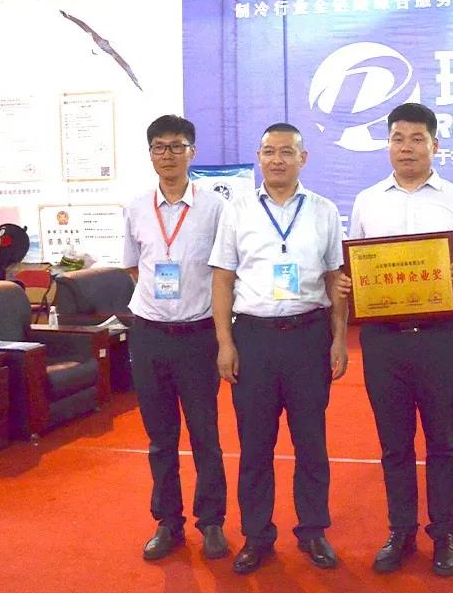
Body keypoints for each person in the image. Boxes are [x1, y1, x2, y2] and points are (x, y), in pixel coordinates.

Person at [342, 102, 453, 577]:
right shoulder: (367, 201)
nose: (406, 148)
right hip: (383, 340)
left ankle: (444, 532)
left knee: (443, 439)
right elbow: (355, 264)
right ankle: (400, 530)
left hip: (439, 338)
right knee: (394, 442)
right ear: (387, 144)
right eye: (398, 139)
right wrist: (349, 281)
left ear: (434, 145)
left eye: (417, 139)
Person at [209, 123, 348, 575]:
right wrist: (225, 343)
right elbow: (222, 279)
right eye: (269, 151)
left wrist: (339, 338)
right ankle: (256, 535)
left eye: (287, 152)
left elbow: (335, 279)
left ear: (303, 159)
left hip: (309, 336)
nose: (277, 160)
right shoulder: (238, 210)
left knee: (311, 441)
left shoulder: (324, 210)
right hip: (254, 339)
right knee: (254, 445)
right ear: (259, 157)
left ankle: (313, 530)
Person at [123, 114, 228, 561]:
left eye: (177, 146)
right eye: (160, 147)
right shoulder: (135, 207)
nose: (168, 154)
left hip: (199, 336)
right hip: (149, 335)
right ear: (150, 154)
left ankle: (212, 522)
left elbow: (225, 271)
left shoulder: (215, 207)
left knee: (205, 435)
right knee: (160, 438)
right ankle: (168, 522)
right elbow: (135, 266)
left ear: (192, 152)